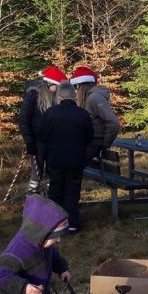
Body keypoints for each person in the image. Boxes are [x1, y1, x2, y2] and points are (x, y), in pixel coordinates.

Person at [39, 81, 94, 232]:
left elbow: (44, 135)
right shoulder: (82, 114)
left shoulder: (51, 113)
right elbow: (90, 136)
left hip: (55, 158)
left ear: (59, 96)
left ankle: (54, 223)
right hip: (75, 158)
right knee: (72, 191)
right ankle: (72, 223)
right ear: (74, 95)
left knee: (55, 190)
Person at [18, 65, 66, 193]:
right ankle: (32, 197)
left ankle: (51, 198)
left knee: (53, 172)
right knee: (37, 173)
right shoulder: (33, 96)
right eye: (57, 86)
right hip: (37, 141)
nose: (58, 90)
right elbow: (24, 120)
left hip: (54, 142)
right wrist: (29, 142)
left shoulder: (57, 98)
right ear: (49, 84)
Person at [69, 66, 120, 160]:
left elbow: (113, 123)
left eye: (76, 87)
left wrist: (105, 143)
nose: (75, 91)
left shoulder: (94, 98)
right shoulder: (88, 98)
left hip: (94, 142)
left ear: (82, 86)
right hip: (87, 141)